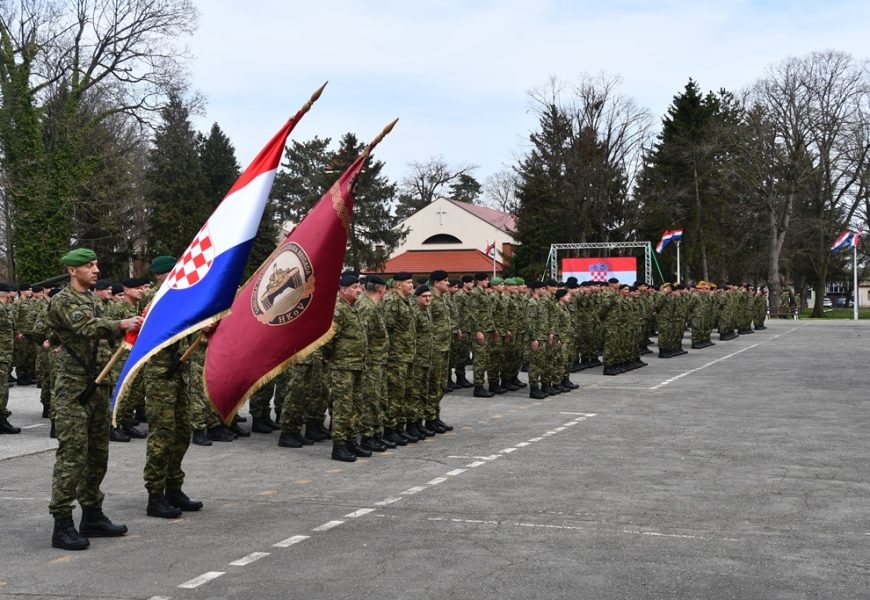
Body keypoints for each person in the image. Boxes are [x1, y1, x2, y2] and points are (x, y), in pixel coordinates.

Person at [46, 248, 142, 550]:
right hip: (73, 391)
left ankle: (92, 514)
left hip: (97, 386)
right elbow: (86, 328)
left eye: (96, 264)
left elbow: (104, 334)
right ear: (73, 271)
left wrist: (132, 325)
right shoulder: (62, 300)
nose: (96, 270)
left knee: (98, 455)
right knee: (73, 456)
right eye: (89, 266)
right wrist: (121, 324)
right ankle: (62, 523)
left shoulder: (91, 299)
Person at [141, 256, 203, 518]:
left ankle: (173, 487)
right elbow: (158, 329)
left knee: (181, 432)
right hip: (160, 376)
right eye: (170, 272)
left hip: (179, 375)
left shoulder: (183, 296)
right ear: (160, 276)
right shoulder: (155, 299)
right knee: (162, 436)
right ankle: (155, 495)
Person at [322, 272, 369, 462]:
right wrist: (332, 357)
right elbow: (327, 340)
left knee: (356, 405)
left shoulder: (353, 308)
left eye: (359, 287)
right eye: (354, 288)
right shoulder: (338, 310)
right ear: (343, 289)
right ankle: (339, 445)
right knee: (343, 406)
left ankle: (351, 440)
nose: (359, 290)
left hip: (357, 365)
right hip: (343, 367)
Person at [0, 283, 20, 434]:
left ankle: (2, 419)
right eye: (9, 293)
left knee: (3, 388)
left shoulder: (6, 308)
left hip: (5, 354)